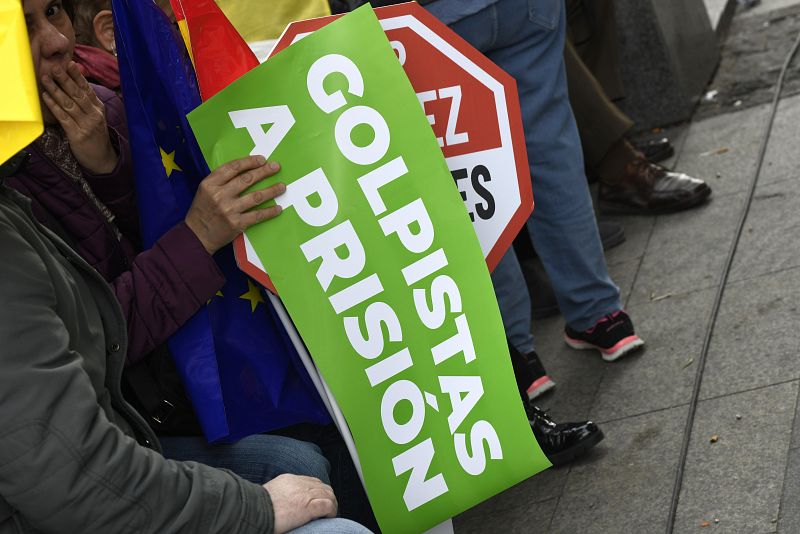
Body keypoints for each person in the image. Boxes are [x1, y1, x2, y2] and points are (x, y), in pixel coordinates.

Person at [0, 163, 370, 533]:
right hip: (90, 468)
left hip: (119, 428)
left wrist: (109, 165)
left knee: (300, 456)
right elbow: (74, 480)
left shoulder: (19, 184)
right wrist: (255, 510)